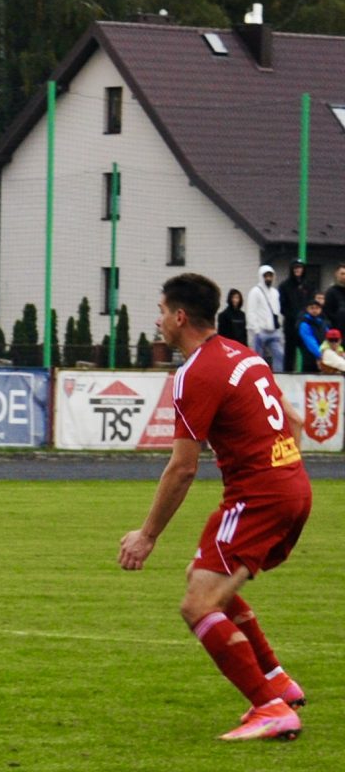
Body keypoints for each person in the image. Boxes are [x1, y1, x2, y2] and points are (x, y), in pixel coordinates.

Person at [116, 272, 313, 742]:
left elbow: (183, 469)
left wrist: (146, 536)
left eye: (162, 312)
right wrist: (281, 474)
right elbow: (294, 421)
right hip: (293, 486)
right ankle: (278, 682)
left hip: (258, 496)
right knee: (203, 579)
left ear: (180, 317)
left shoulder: (195, 373)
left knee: (197, 604)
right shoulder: (244, 355)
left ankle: (270, 709)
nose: (159, 321)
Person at [244, 264, 284, 372]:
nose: (268, 278)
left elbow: (277, 311)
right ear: (261, 277)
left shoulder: (275, 293)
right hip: (260, 331)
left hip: (274, 331)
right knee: (257, 358)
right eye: (266, 276)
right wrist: (256, 330)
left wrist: (278, 327)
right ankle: (258, 374)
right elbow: (251, 311)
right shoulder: (255, 291)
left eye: (270, 276)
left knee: (279, 354)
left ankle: (278, 376)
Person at [281, 260, 313, 371]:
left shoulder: (308, 285)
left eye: (300, 267)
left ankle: (307, 372)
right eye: (295, 268)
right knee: (290, 352)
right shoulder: (285, 286)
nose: (297, 270)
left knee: (307, 350)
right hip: (290, 324)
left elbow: (311, 302)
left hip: (305, 324)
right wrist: (292, 315)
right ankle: (288, 374)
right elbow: (282, 306)